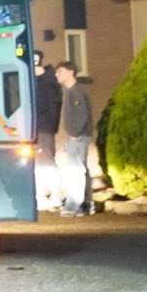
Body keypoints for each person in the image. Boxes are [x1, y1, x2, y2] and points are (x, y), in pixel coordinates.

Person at [54, 60, 94, 216]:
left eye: (60, 71)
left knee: (75, 171)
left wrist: (75, 134)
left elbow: (82, 114)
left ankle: (73, 206)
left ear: (71, 72)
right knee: (81, 169)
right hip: (79, 135)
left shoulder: (75, 92)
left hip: (78, 136)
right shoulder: (72, 91)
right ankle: (87, 204)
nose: (57, 74)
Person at [33, 50, 62, 209]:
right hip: (35, 128)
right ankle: (41, 195)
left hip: (44, 128)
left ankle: (55, 195)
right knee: (38, 163)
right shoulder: (36, 80)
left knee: (47, 162)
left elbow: (53, 105)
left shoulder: (49, 82)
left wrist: (50, 126)